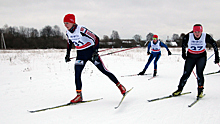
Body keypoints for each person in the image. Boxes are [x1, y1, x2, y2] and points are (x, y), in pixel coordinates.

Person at [63, 14, 126, 103]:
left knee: (104, 70)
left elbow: (96, 38)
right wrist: (67, 54)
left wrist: (95, 52)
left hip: (91, 53)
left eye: (67, 23)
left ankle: (120, 87)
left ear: (73, 22)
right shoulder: (68, 32)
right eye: (64, 23)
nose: (65, 25)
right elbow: (69, 43)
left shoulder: (81, 29)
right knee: (77, 74)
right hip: (80, 54)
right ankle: (79, 96)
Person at [172, 24, 219, 98]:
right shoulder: (188, 36)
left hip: (201, 56)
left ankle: (200, 91)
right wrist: (183, 53)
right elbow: (183, 44)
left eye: (199, 32)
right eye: (195, 32)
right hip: (191, 57)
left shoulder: (205, 36)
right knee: (186, 74)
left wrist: (217, 56)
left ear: (201, 31)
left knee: (199, 73)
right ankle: (179, 89)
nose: (197, 34)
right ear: (193, 31)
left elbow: (214, 45)